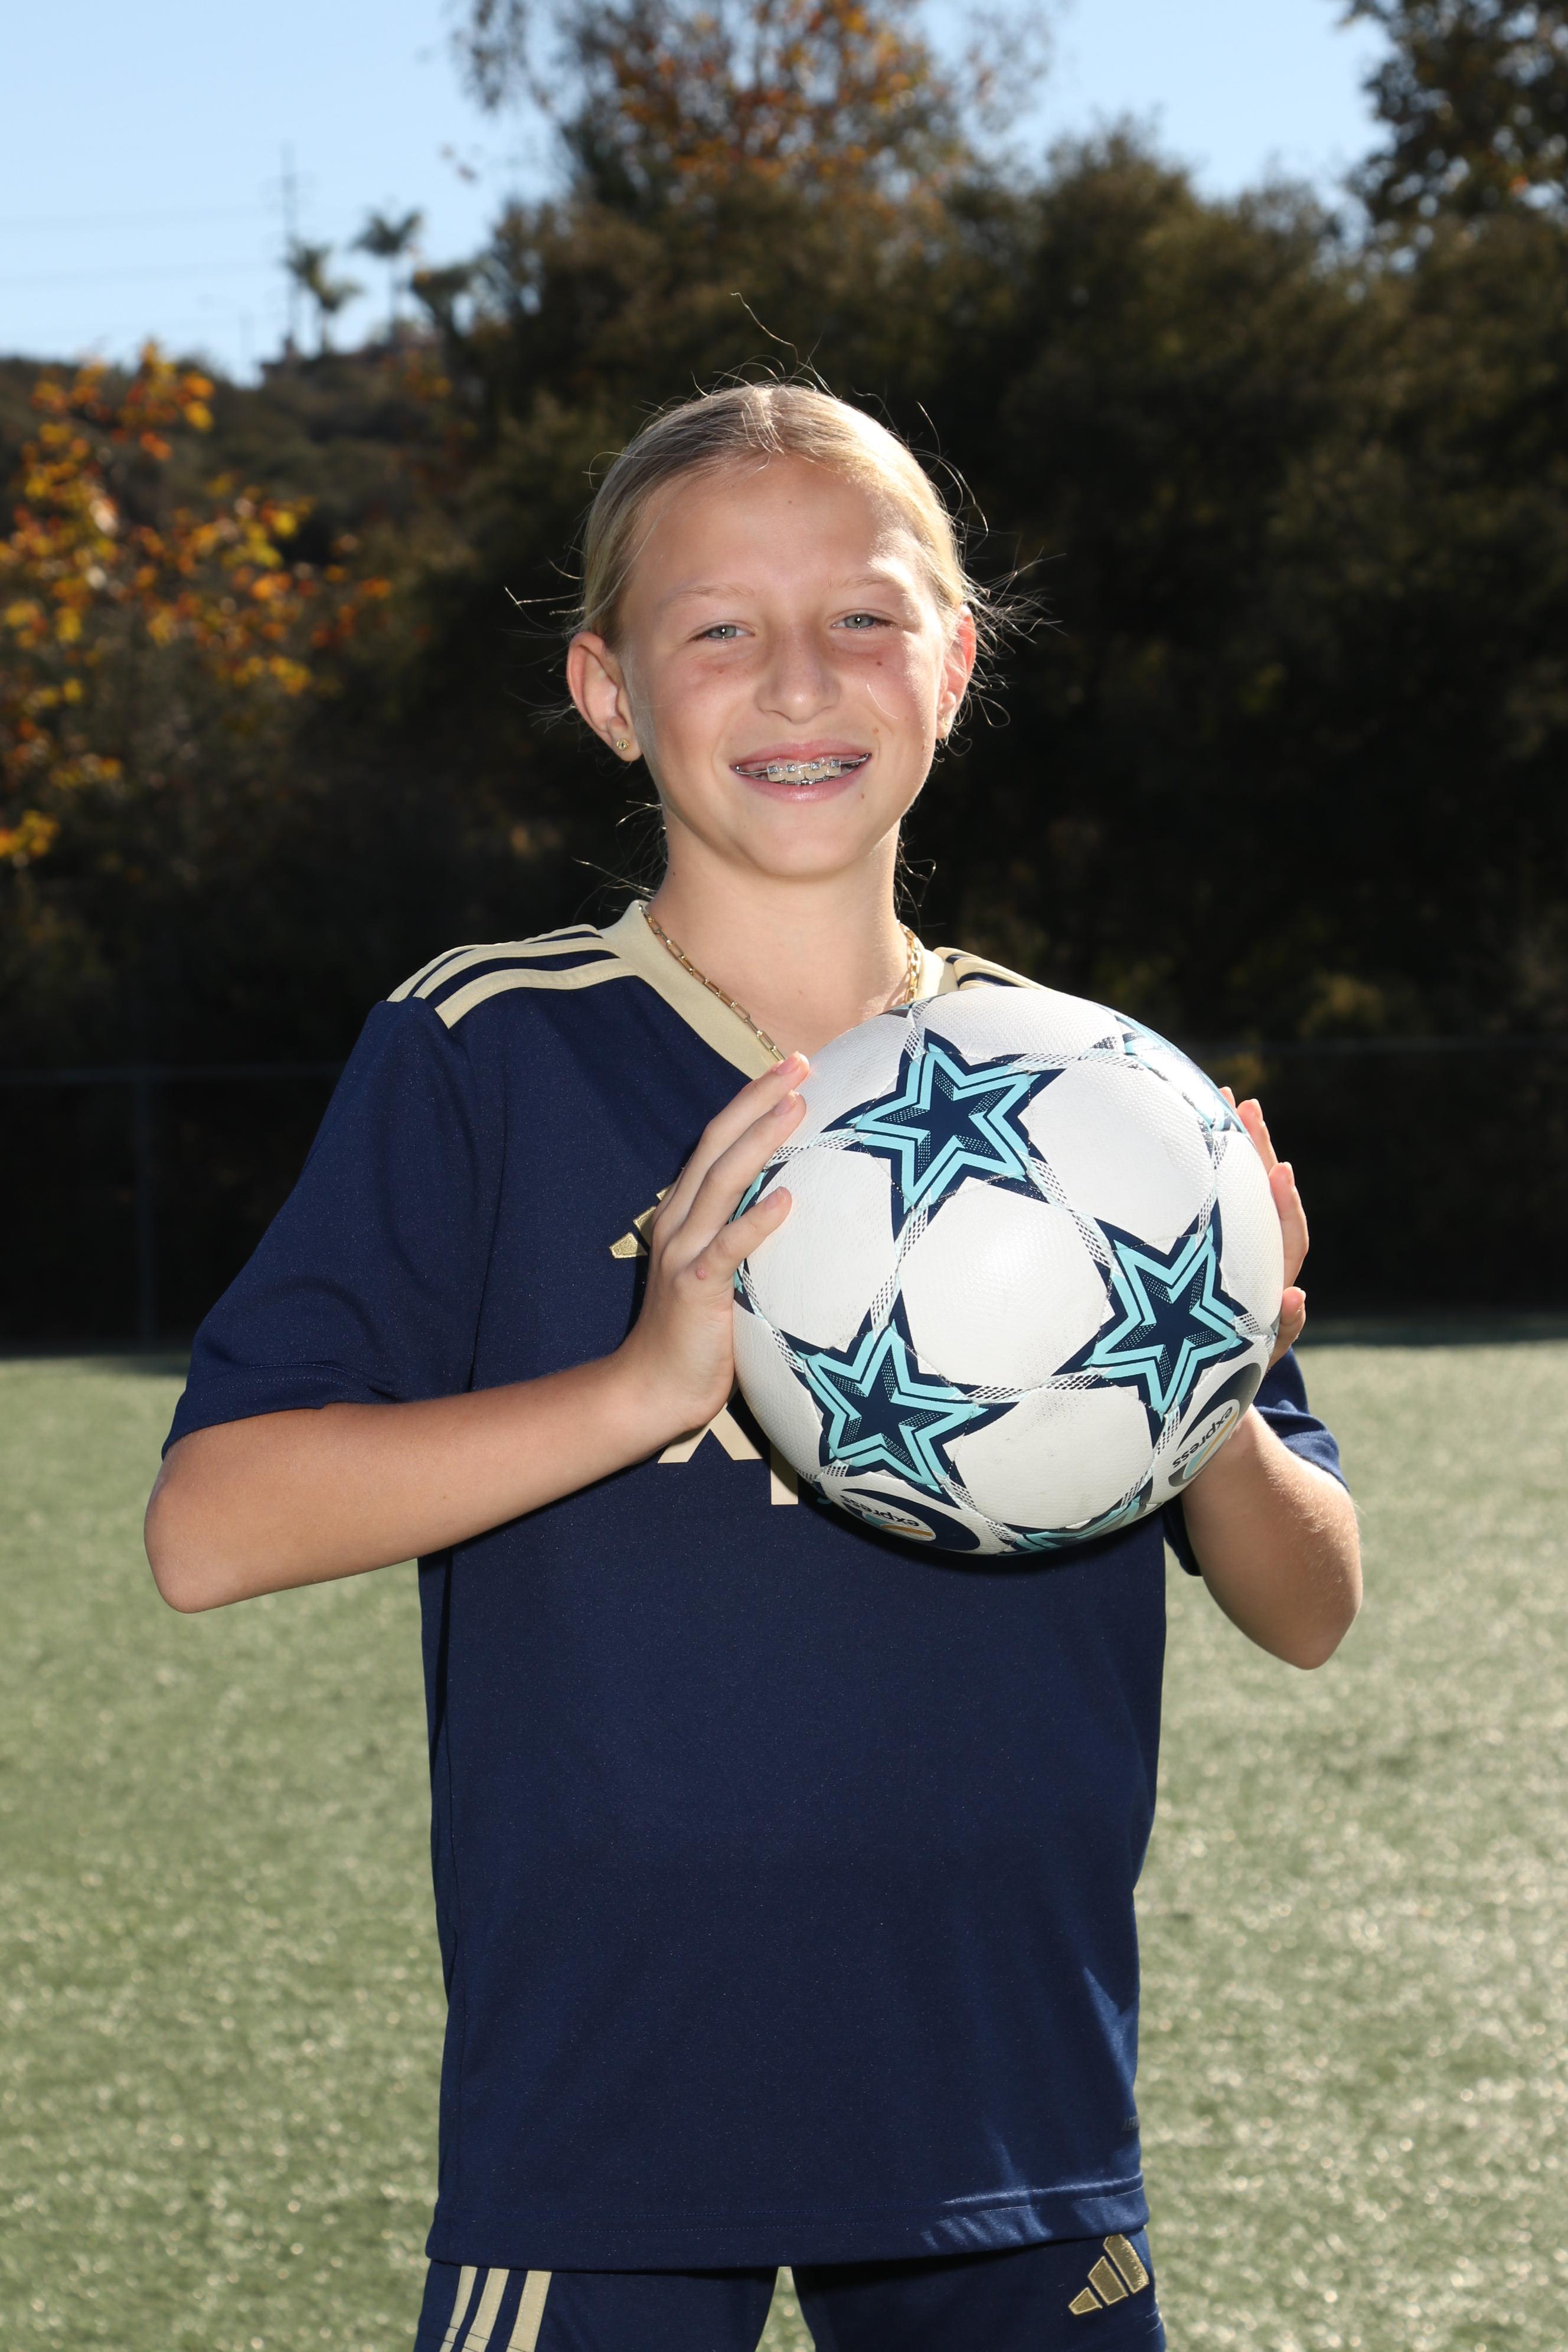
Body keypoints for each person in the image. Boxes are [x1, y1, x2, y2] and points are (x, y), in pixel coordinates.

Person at [145, 383, 1361, 2352]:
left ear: (954, 664)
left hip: (1009, 2100)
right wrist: (644, 1384)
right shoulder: (486, 1049)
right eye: (718, 626)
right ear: (609, 692)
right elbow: (209, 1527)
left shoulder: (1102, 1099)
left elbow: (1312, 1606)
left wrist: (1201, 1385)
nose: (799, 678)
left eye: (864, 616)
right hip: (607, 2113)